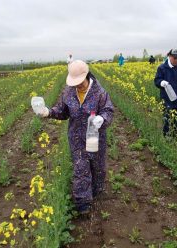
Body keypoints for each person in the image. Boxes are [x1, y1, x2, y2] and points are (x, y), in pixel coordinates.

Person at [37, 60, 114, 214]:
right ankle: (83, 202)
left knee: (97, 166)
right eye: (75, 82)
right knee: (80, 168)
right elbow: (63, 111)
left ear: (87, 76)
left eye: (80, 82)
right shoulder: (68, 92)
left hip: (95, 137)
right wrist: (49, 112)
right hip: (76, 138)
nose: (77, 85)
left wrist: (102, 119)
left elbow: (108, 110)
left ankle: (97, 189)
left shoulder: (100, 93)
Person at [154, 49, 177, 137]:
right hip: (167, 98)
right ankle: (166, 138)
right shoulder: (162, 68)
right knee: (167, 119)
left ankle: (173, 135)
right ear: (170, 57)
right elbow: (156, 80)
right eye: (175, 58)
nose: (176, 60)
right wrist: (161, 82)